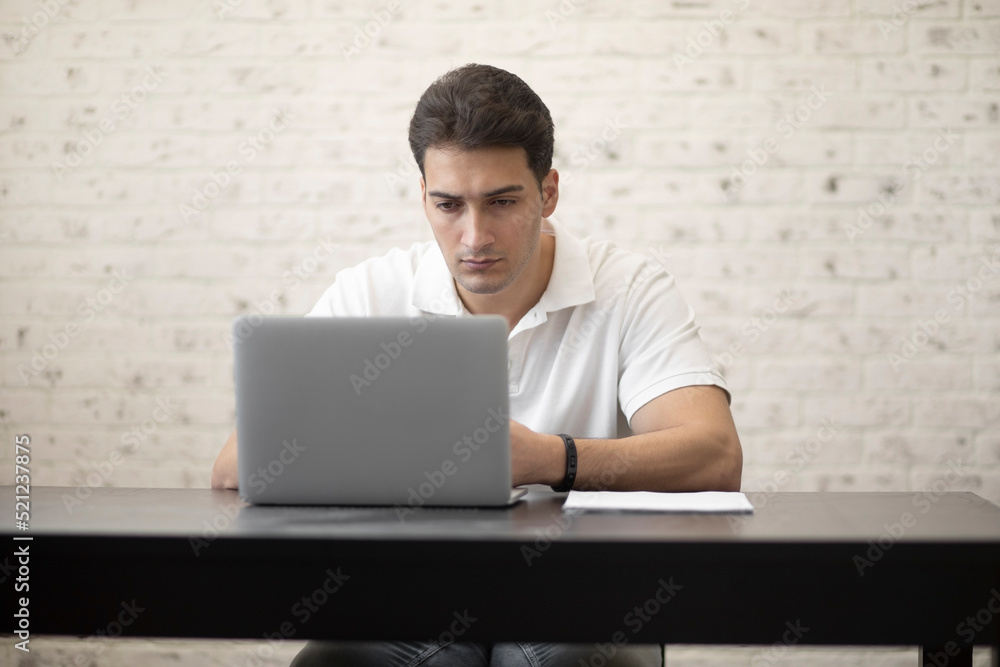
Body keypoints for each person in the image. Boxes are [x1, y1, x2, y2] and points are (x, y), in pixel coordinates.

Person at [212, 63, 742, 667]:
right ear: (423, 196)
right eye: (449, 205)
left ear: (548, 192)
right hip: (410, 592)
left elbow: (715, 455)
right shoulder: (371, 292)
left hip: (581, 589)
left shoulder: (629, 287)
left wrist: (552, 459)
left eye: (502, 202)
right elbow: (234, 465)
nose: (474, 237)